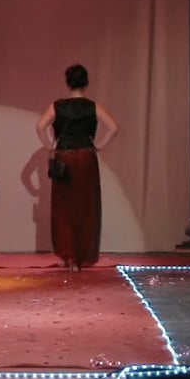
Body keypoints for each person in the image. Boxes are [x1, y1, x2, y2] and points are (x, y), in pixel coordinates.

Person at [35, 64, 118, 270]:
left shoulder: (57, 106)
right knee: (86, 206)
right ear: (86, 82)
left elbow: (40, 126)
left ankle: (67, 255)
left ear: (68, 82)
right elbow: (113, 127)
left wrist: (50, 146)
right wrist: (99, 145)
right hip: (86, 157)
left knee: (63, 207)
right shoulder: (92, 106)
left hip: (64, 157)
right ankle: (82, 255)